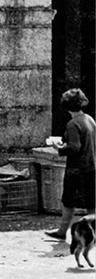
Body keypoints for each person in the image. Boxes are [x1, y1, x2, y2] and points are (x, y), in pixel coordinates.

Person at [46, 88, 95, 240]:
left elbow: (74, 147)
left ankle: (62, 231)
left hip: (76, 169)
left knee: (68, 201)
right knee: (91, 203)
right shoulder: (90, 119)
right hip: (92, 166)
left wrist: (59, 148)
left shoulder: (72, 124)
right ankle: (92, 232)